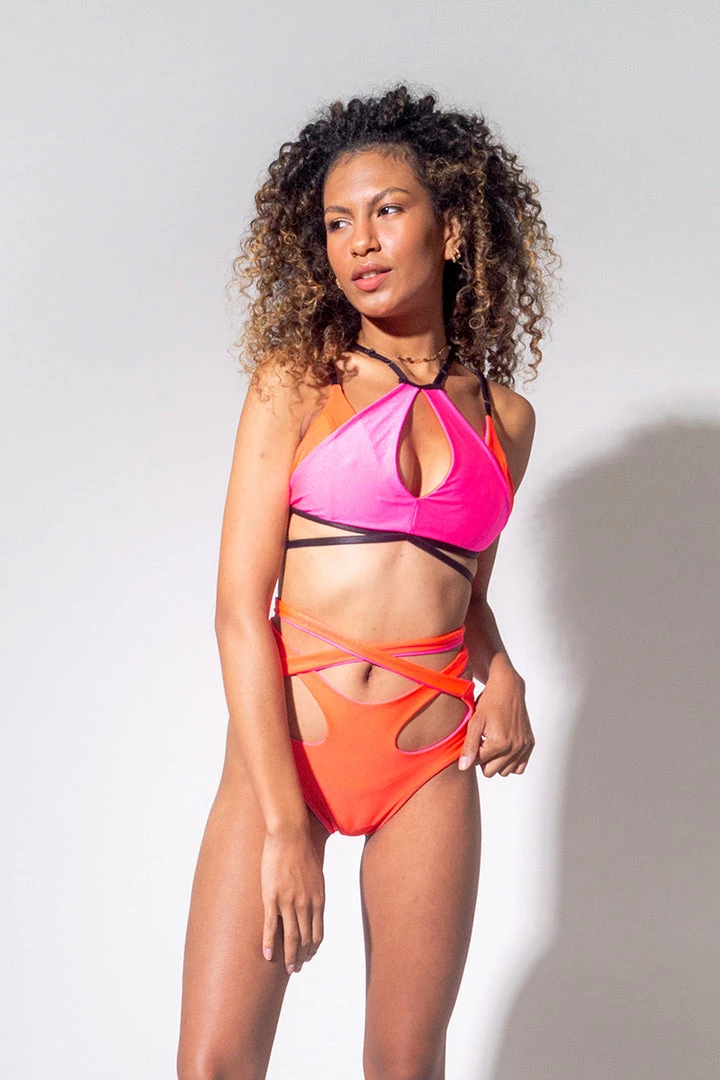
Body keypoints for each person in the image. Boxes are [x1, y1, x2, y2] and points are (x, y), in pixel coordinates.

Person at [177, 85, 559, 1080]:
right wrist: (282, 827)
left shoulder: (505, 420)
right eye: (338, 222)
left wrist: (503, 671)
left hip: (428, 759)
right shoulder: (295, 382)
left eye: (388, 210)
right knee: (214, 1066)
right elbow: (237, 612)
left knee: (404, 1066)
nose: (361, 242)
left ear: (454, 229)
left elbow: (459, 587)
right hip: (290, 754)